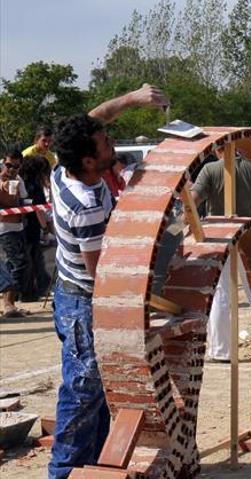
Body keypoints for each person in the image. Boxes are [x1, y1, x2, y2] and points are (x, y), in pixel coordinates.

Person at [49, 84, 168, 479]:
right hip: (85, 304)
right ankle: (64, 472)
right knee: (82, 393)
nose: (110, 141)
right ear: (88, 160)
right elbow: (105, 274)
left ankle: (94, 465)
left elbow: (95, 118)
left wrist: (134, 97)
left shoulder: (61, 169)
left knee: (99, 393)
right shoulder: (85, 206)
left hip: (71, 292)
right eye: (104, 143)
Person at [190, 143, 251, 363]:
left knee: (221, 292)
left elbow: (194, 200)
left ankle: (221, 350)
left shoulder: (211, 170)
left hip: (221, 236)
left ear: (216, 150)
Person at [0, 150, 31, 316]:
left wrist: (25, 206)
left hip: (17, 227)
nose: (11, 169)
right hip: (4, 229)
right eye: (8, 165)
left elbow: (24, 199)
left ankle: (10, 304)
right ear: (3, 162)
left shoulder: (18, 180)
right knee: (16, 264)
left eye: (16, 166)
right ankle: (9, 305)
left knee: (16, 265)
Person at [19, 155, 53, 301]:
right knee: (32, 261)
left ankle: (25, 291)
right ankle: (30, 293)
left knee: (25, 261)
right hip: (31, 228)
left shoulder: (21, 183)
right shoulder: (35, 186)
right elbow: (39, 210)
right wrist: (45, 229)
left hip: (20, 226)